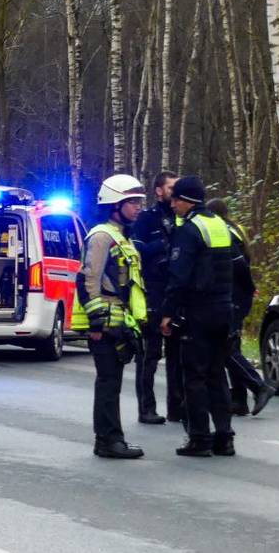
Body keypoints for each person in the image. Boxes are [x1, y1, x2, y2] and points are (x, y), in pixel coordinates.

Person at [162, 176, 252, 457]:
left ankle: (199, 438)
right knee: (216, 374)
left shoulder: (189, 230)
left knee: (195, 376)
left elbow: (179, 276)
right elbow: (236, 268)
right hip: (224, 310)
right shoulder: (219, 225)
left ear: (188, 201)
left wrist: (167, 312)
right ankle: (225, 437)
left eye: (176, 199)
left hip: (198, 311)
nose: (173, 204)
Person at [72, 174, 148, 459]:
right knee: (108, 383)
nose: (138, 207)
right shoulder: (102, 236)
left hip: (118, 321)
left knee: (112, 382)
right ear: (115, 204)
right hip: (104, 324)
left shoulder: (120, 236)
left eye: (140, 202)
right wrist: (96, 324)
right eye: (132, 202)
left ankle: (111, 438)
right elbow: (89, 280)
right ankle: (107, 440)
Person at [205, 198, 275, 416]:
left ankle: (258, 385)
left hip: (233, 296)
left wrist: (248, 286)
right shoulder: (236, 229)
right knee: (232, 344)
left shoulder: (223, 232)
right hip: (239, 294)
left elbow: (239, 264)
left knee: (226, 348)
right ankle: (239, 400)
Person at [130, 171, 178, 425]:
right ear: (159, 190)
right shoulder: (147, 219)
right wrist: (162, 247)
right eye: (171, 186)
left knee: (177, 353)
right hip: (152, 291)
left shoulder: (181, 217)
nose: (175, 191)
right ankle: (146, 408)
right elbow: (137, 250)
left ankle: (176, 407)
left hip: (175, 292)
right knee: (150, 354)